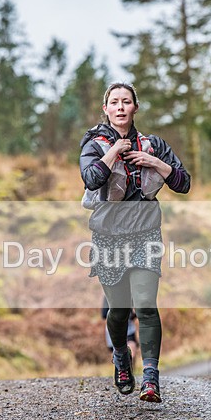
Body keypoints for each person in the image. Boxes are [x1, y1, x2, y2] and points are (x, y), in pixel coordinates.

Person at [79, 82, 191, 403]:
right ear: (106, 109)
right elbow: (91, 179)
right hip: (108, 237)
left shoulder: (154, 145)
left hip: (145, 233)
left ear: (135, 107)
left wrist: (153, 162)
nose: (120, 107)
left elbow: (183, 183)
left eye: (126, 102)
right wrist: (115, 152)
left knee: (145, 304)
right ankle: (121, 358)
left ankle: (151, 378)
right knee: (119, 310)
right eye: (114, 102)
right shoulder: (94, 143)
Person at [101, 296, 139, 365]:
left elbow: (136, 312)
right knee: (118, 354)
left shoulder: (130, 294)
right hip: (113, 330)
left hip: (128, 329)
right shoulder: (107, 296)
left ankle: (130, 370)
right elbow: (104, 315)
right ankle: (122, 370)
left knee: (132, 350)